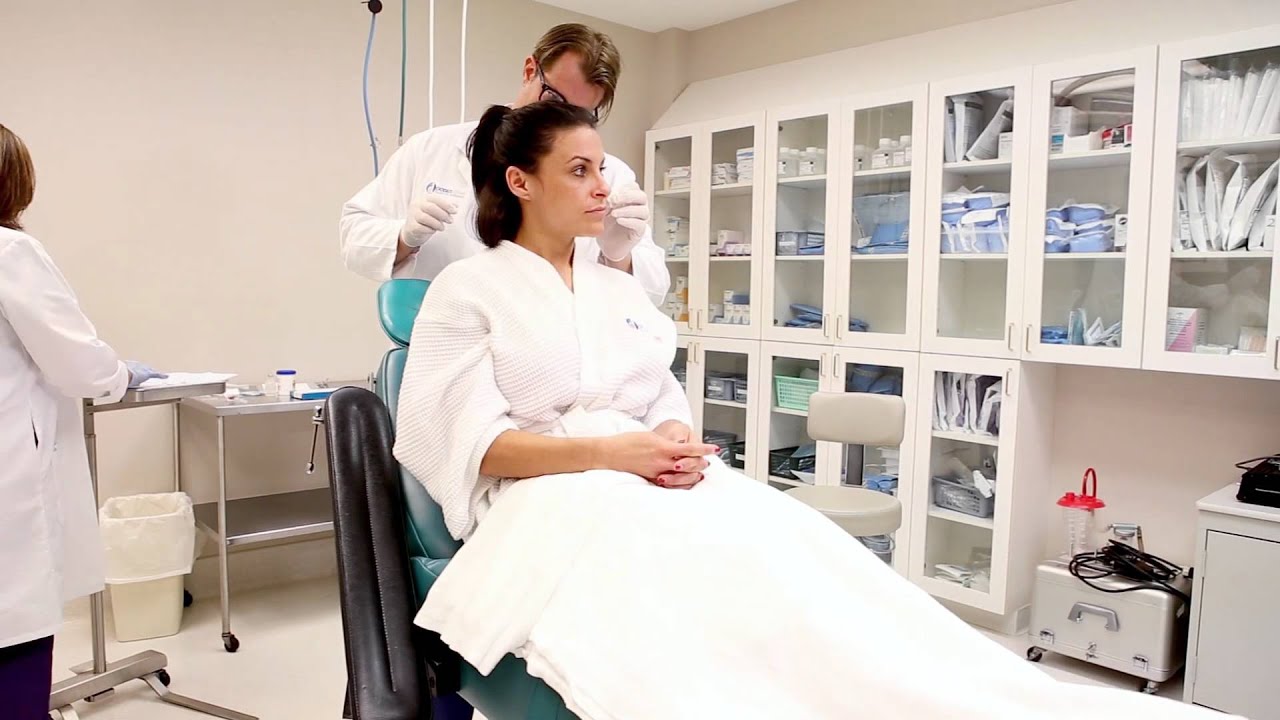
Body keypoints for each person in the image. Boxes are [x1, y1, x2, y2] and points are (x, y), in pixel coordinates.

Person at [391, 102, 1227, 720]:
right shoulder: (470, 288)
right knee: (693, 580)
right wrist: (620, 457)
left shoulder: (614, 287)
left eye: (602, 167)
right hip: (556, 494)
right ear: (519, 181)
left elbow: (658, 392)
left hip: (648, 471)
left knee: (796, 553)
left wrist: (675, 437)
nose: (602, 186)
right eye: (580, 170)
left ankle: (915, 689)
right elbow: (467, 443)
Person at [0, 124, 165, 719]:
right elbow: (72, 357)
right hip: (10, 480)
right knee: (15, 615)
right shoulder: (10, 252)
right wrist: (120, 375)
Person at [339, 23, 669, 306]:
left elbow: (651, 294)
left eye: (578, 114)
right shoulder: (432, 149)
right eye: (553, 99)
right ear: (530, 71)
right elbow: (354, 238)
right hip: (448, 344)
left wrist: (618, 255)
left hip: (551, 354)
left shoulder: (613, 176)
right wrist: (403, 236)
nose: (556, 121)